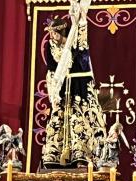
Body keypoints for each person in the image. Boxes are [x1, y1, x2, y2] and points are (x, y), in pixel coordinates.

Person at [42, 0, 104, 168]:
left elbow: (83, 44)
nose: (52, 36)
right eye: (50, 33)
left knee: (79, 118)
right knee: (58, 119)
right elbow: (51, 72)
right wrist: (52, 94)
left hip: (78, 86)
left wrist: (82, 19)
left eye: (54, 33)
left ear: (62, 31)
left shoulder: (74, 42)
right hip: (61, 87)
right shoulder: (50, 47)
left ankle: (80, 154)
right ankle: (54, 156)